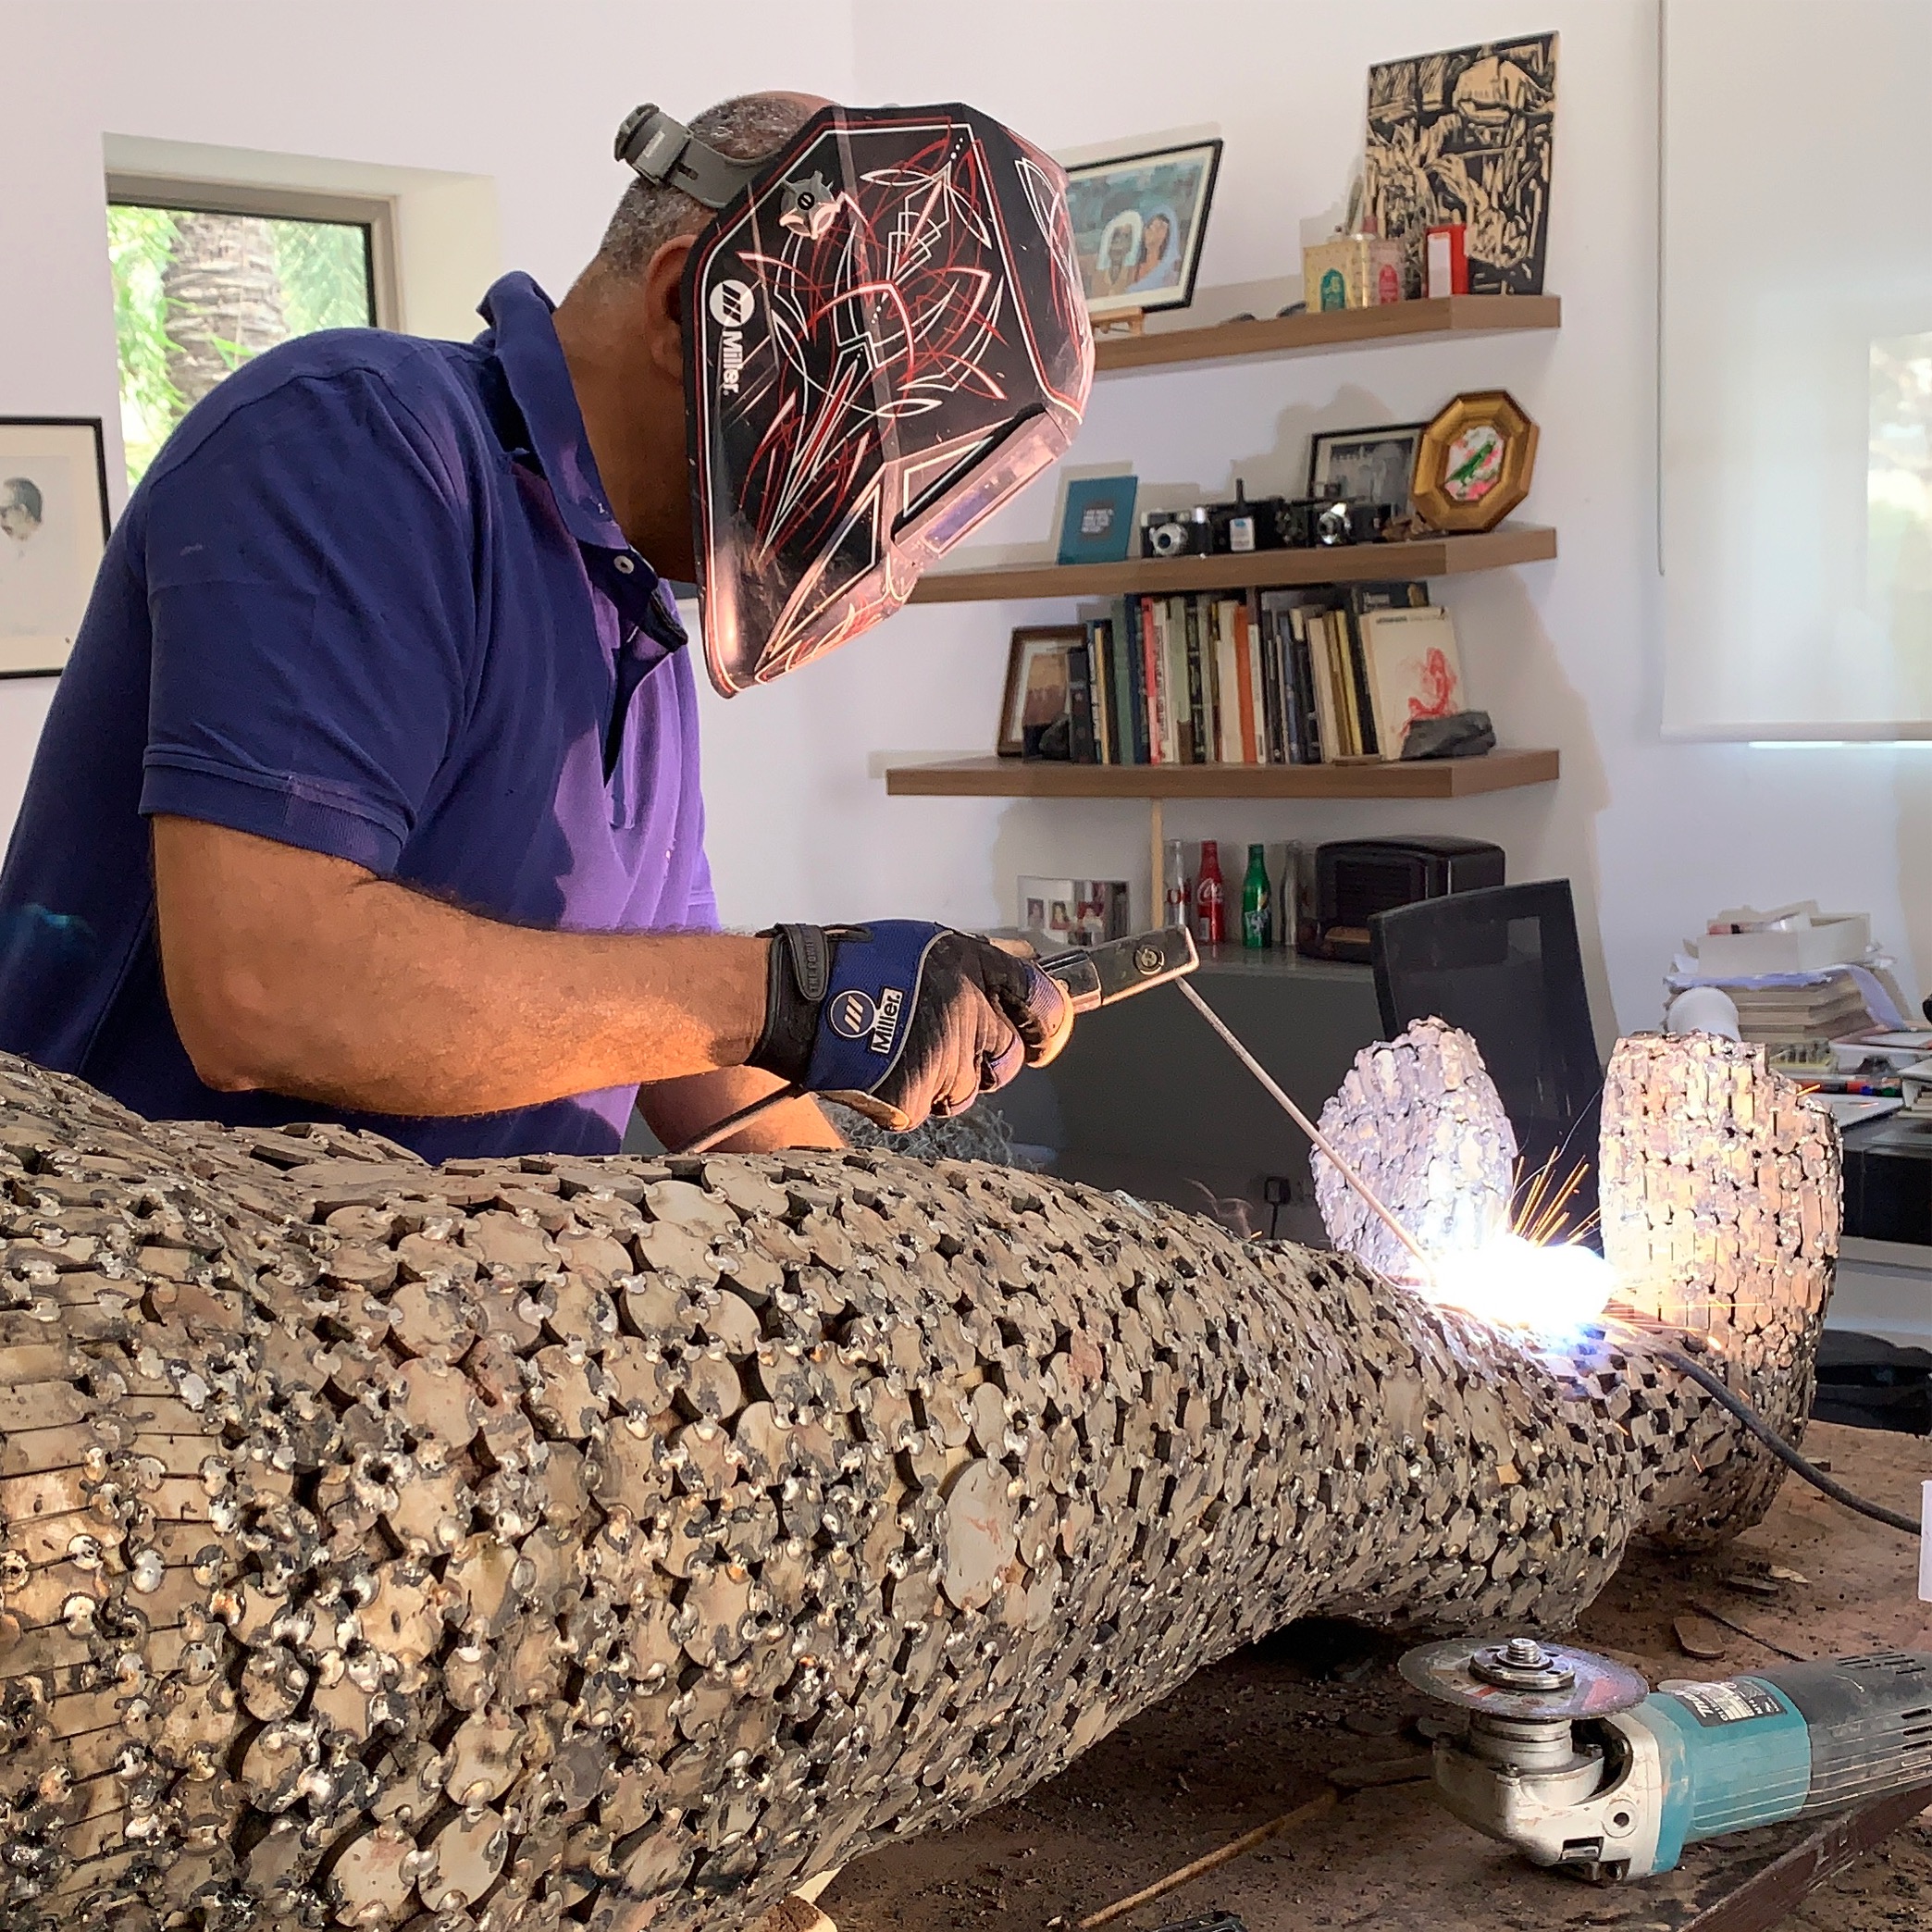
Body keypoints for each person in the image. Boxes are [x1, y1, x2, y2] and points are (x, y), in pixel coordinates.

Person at [0, 93, 1092, 1163]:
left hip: (437, 1315)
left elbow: (679, 1030)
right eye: (845, 440)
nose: (852, 514)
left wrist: (892, 1232)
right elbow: (269, 983)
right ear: (683, 311)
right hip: (150, 1301)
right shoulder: (356, 443)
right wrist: (792, 990)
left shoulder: (638, 610)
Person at [1130, 204, 1182, 291]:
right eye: (1150, 225)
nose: (1153, 229)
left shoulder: (1169, 273)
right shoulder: (1133, 270)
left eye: (1160, 227)